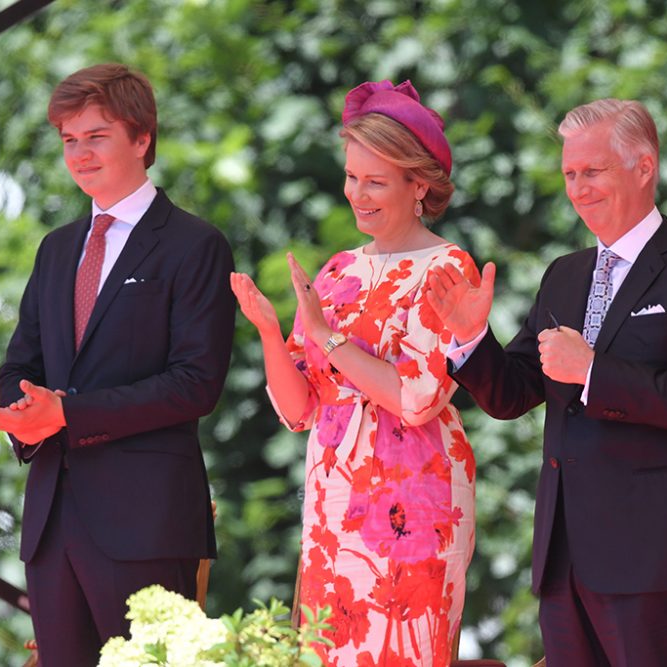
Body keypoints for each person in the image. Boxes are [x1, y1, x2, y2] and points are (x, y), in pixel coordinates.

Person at [425, 99, 667, 666]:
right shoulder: (565, 273)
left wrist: (595, 371)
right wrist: (471, 338)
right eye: (570, 174)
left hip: (656, 554)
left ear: (644, 167)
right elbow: (513, 393)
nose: (578, 188)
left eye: (592, 171)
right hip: (565, 554)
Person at [0, 63, 235, 667]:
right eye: (70, 140)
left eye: (97, 136)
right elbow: (20, 366)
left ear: (143, 138)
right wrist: (26, 413)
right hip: (51, 523)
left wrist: (68, 413)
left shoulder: (196, 245)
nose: (80, 154)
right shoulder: (56, 247)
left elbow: (197, 384)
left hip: (145, 522)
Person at [230, 80, 477, 667]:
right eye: (350, 176)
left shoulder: (449, 267)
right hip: (331, 496)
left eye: (375, 181)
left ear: (420, 185)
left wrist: (326, 337)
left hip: (415, 496)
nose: (356, 195)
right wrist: (270, 330)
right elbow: (299, 410)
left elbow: (417, 398)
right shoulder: (339, 268)